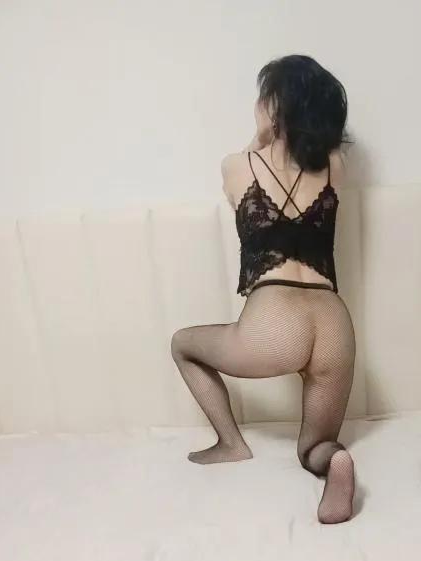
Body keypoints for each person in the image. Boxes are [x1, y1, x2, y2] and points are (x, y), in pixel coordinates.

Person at [171, 55, 356, 524]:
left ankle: (231, 443)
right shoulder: (336, 166)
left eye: (262, 98)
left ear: (275, 106)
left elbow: (242, 174)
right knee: (315, 444)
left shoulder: (236, 165)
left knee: (182, 344)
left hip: (276, 319)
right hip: (334, 323)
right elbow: (312, 155)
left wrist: (260, 138)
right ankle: (334, 461)